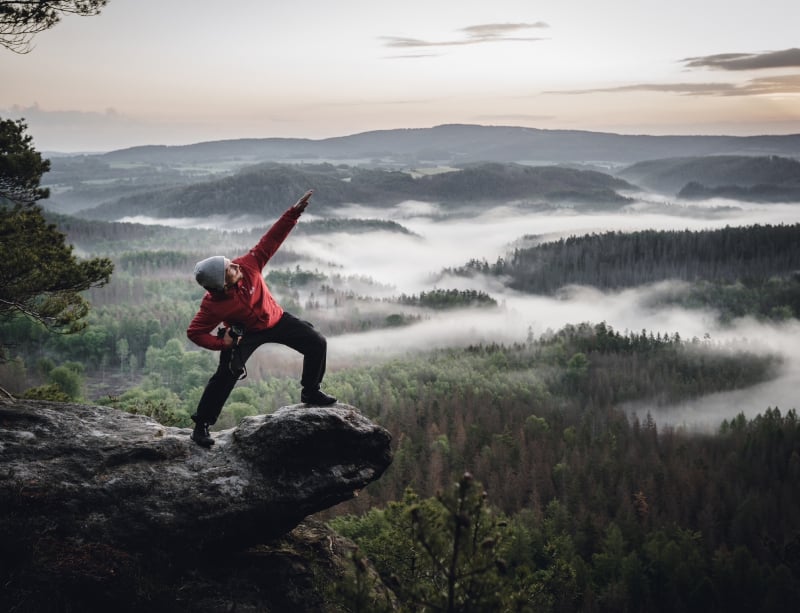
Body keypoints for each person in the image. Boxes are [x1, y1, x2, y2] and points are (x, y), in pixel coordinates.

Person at [186, 189, 336, 447]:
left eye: (230, 263)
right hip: (245, 333)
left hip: (275, 320)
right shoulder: (212, 305)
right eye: (229, 269)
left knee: (316, 342)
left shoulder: (248, 265)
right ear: (221, 284)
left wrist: (294, 211)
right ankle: (202, 425)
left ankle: (310, 391)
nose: (235, 265)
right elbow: (195, 332)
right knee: (226, 374)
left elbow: (272, 239)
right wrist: (222, 344)